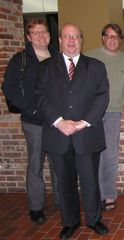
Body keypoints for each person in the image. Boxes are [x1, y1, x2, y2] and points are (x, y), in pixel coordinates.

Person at [35, 23, 109, 239]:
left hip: (86, 134)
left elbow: (102, 96)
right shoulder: (46, 67)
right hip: (58, 135)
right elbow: (40, 96)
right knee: (64, 182)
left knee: (90, 181)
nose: (71, 40)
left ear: (81, 40)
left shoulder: (96, 66)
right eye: (67, 36)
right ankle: (70, 221)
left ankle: (94, 219)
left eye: (75, 36)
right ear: (59, 40)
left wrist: (84, 122)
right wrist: (59, 122)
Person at [2, 18, 59, 225]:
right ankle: (36, 207)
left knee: (58, 162)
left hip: (57, 121)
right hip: (34, 121)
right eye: (35, 33)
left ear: (50, 35)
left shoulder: (58, 56)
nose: (41, 36)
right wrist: (31, 109)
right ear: (28, 37)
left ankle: (61, 201)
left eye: (44, 32)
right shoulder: (21, 59)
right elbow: (9, 88)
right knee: (36, 163)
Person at [86, 23, 124, 211]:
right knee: (91, 155)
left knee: (110, 156)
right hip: (91, 113)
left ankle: (109, 194)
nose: (112, 39)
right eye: (108, 36)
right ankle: (93, 193)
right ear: (103, 37)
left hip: (113, 112)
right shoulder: (90, 56)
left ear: (120, 39)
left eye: (116, 36)